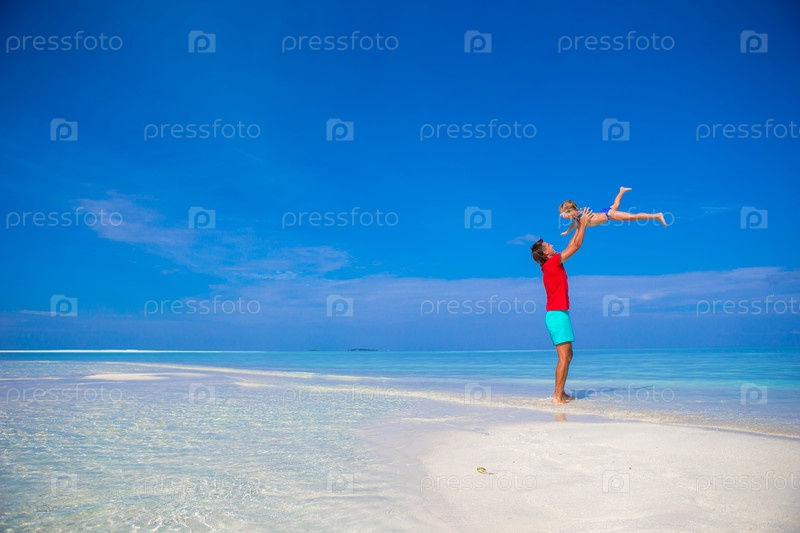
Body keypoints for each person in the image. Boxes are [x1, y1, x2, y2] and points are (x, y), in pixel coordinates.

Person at [531, 207, 591, 405]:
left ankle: (561, 392)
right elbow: (578, 245)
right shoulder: (552, 263)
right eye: (548, 245)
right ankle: (557, 396)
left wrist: (580, 223)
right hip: (557, 315)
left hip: (559, 314)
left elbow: (572, 243)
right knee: (564, 357)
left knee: (568, 355)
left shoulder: (550, 264)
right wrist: (583, 223)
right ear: (545, 253)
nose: (551, 245)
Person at [559, 187, 666, 235]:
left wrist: (573, 230)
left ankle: (657, 215)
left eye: (565, 214)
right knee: (616, 204)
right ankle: (622, 191)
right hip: (605, 212)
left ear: (571, 210)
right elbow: (574, 223)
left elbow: (579, 223)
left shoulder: (582, 214)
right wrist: (567, 231)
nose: (564, 217)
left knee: (632, 217)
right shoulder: (577, 217)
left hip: (609, 215)